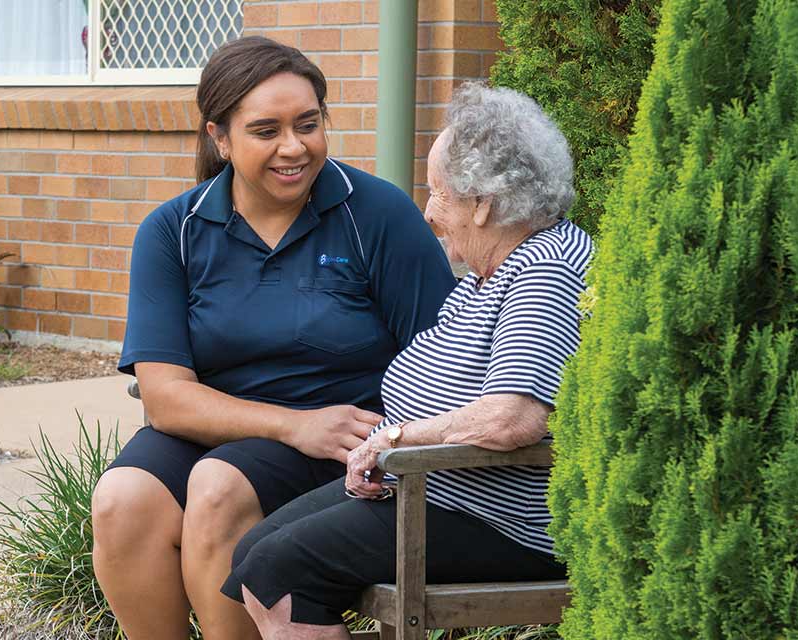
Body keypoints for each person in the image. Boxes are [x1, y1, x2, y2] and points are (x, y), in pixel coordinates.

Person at [93, 36, 456, 640]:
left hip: (346, 442)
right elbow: (164, 398)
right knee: (121, 500)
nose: (294, 147)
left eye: (308, 125)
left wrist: (374, 435)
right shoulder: (172, 233)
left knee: (217, 487)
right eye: (266, 131)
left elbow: (449, 355)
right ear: (220, 137)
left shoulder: (376, 215)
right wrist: (290, 425)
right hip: (230, 428)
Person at [221, 83, 592, 638]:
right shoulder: (486, 276)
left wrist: (396, 441)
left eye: (439, 193)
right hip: (431, 493)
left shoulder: (546, 267)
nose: (428, 210)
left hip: (505, 521)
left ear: (484, 203)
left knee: (281, 572)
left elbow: (512, 417)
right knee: (255, 554)